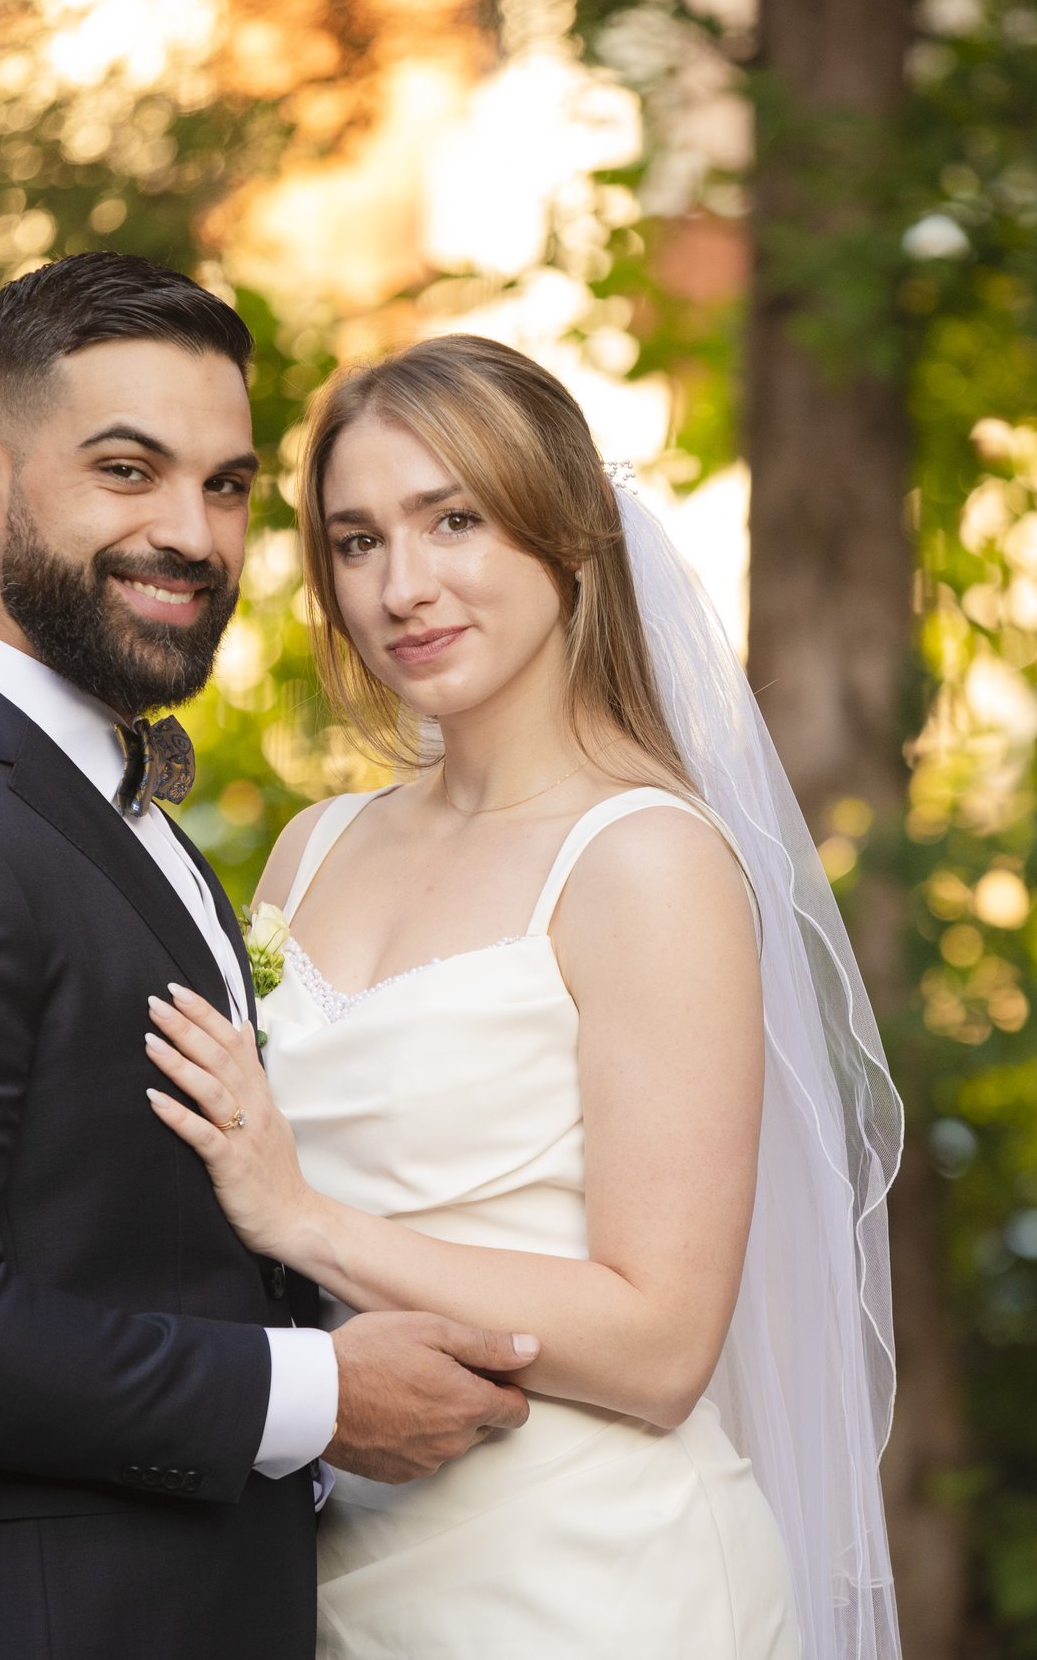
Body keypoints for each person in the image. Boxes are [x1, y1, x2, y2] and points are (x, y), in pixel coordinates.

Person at [0, 255, 541, 1660]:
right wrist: (314, 1397)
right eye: (128, 470)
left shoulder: (103, 805)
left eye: (226, 486)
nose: (192, 533)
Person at [144, 334, 904, 1659]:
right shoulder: (312, 849)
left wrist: (306, 1219)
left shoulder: (646, 861)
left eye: (455, 521)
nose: (404, 586)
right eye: (359, 541)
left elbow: (661, 1344)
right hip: (340, 1575)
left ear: (567, 538)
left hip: (598, 1584)